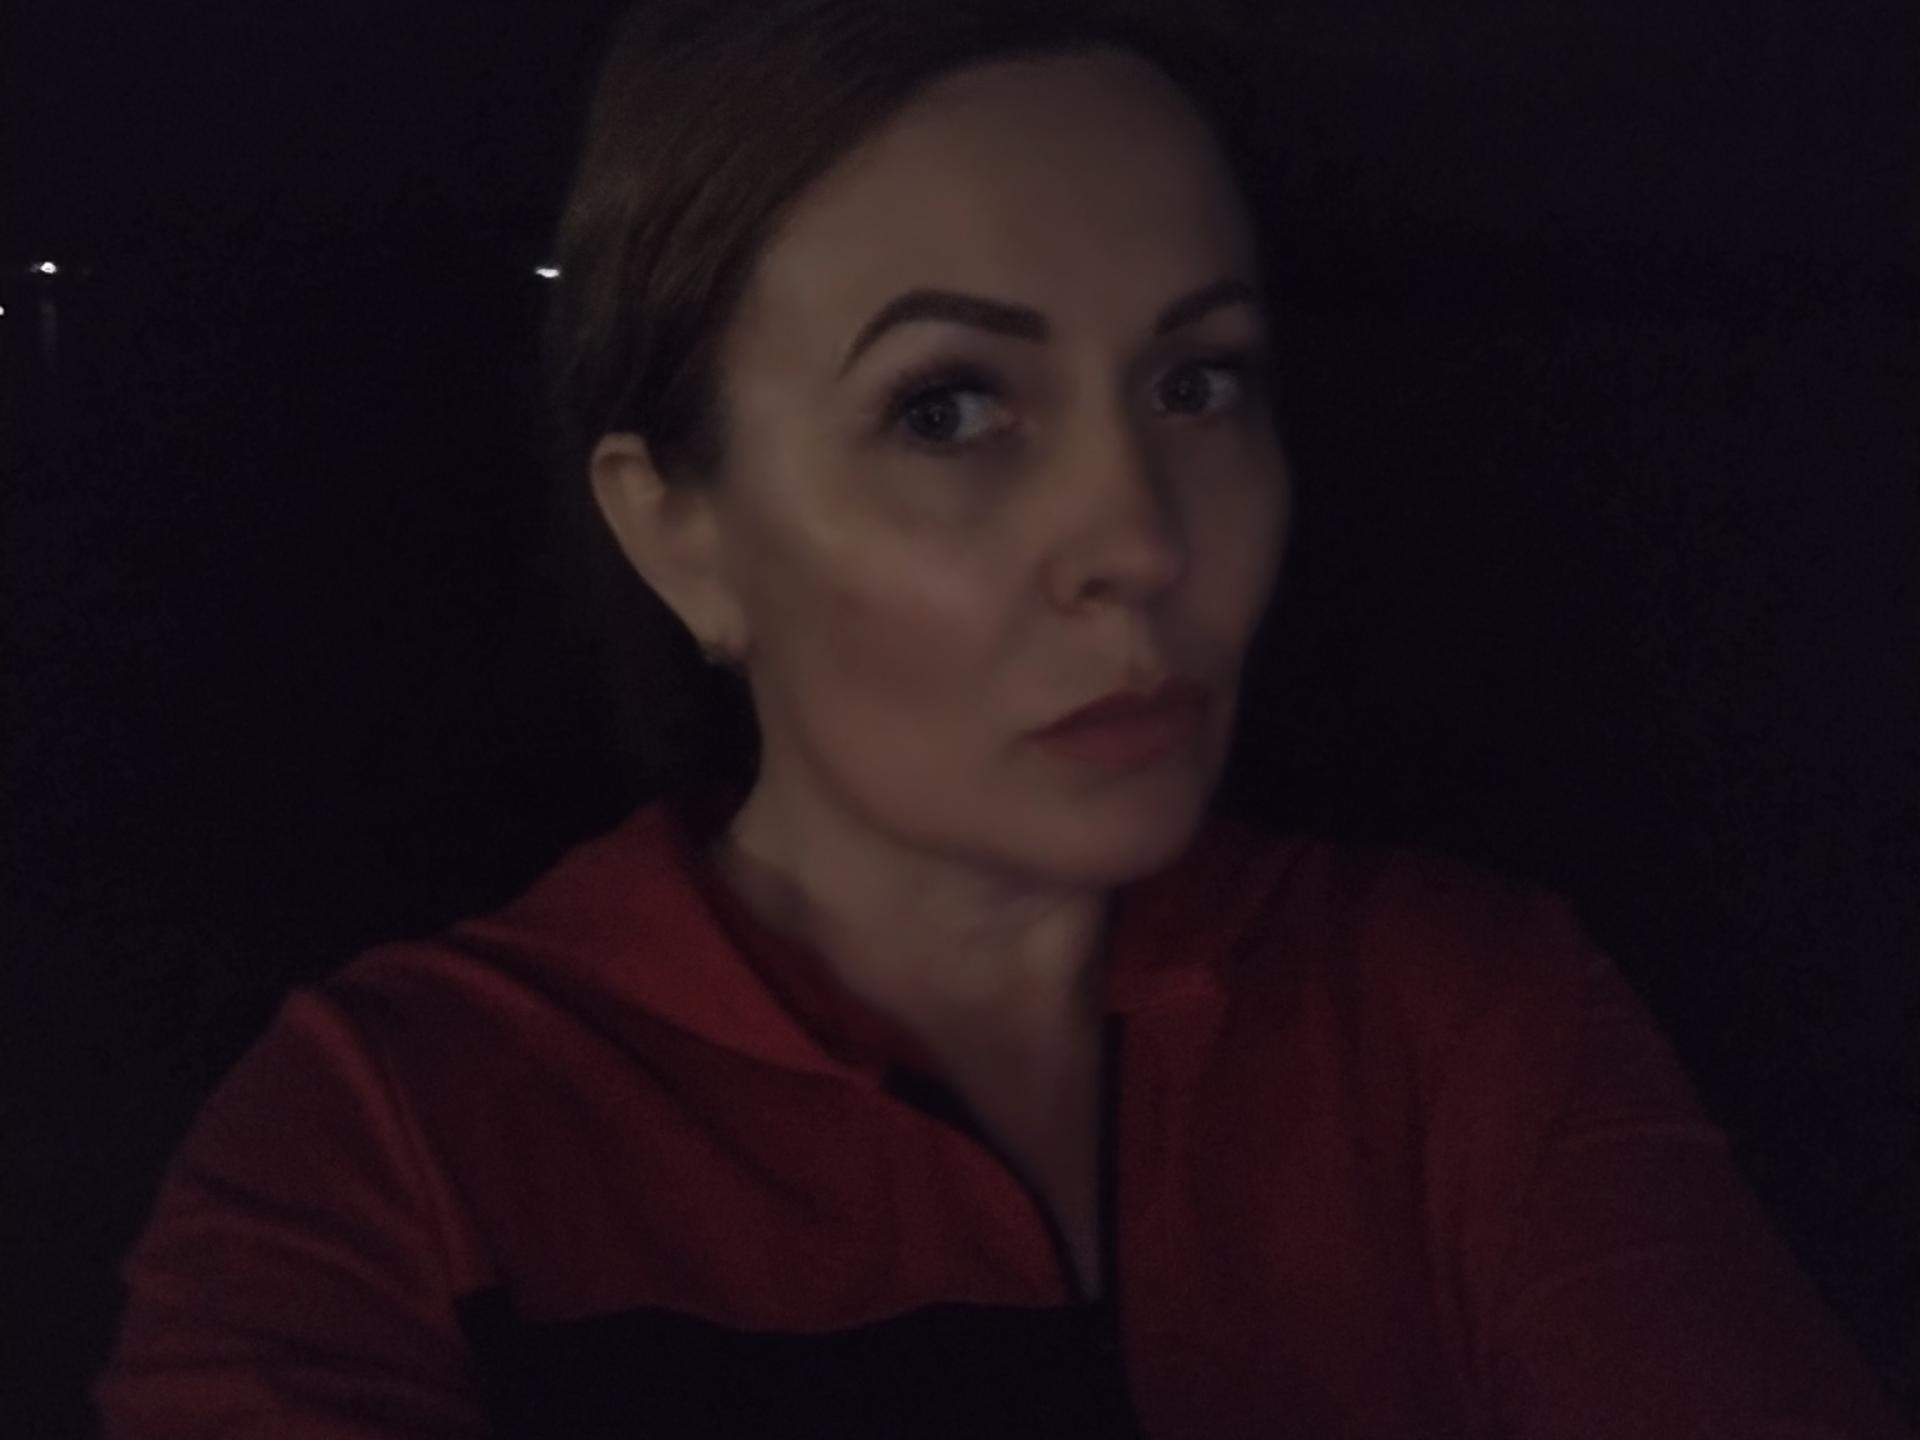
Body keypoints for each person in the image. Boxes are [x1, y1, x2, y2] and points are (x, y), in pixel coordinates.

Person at [95, 1, 1914, 1436]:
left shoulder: (1453, 1015)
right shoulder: (399, 1136)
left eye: (1198, 382)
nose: (1142, 541)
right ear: (680, 535)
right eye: (948, 406)